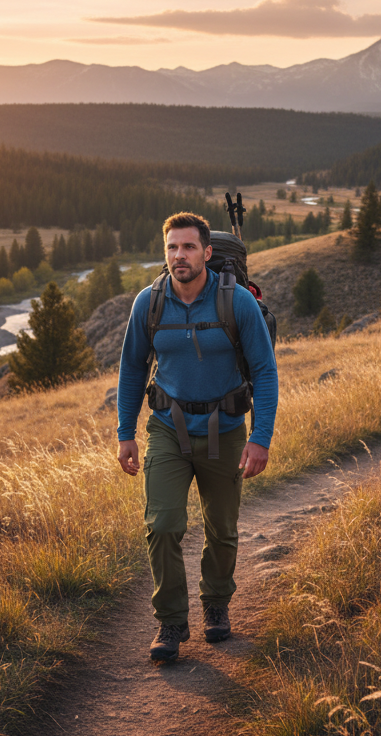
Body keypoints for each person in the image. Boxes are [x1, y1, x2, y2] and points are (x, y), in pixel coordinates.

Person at [116, 212, 278, 661]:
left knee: (222, 528)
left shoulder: (237, 302)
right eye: (172, 247)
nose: (179, 256)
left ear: (207, 253)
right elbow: (132, 369)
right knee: (163, 525)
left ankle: (216, 605)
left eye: (188, 247)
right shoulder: (148, 303)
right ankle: (170, 622)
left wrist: (259, 437)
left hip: (226, 429)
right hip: (167, 427)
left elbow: (264, 371)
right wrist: (124, 432)